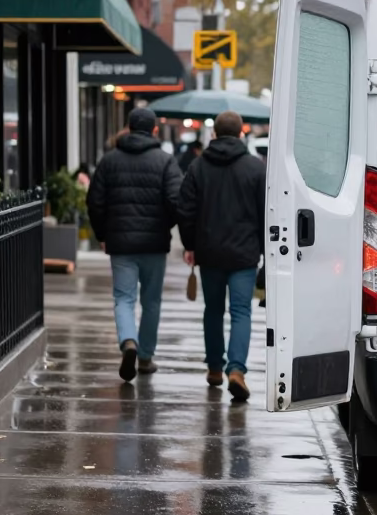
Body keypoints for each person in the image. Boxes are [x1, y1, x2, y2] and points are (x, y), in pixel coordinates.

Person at [87, 108, 183, 382]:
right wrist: (166, 226)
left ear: (128, 128)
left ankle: (128, 340)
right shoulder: (165, 161)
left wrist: (102, 234)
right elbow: (176, 202)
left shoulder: (109, 161)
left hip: (121, 243)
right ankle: (145, 357)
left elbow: (95, 201)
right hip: (154, 244)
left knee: (123, 298)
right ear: (154, 130)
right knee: (151, 301)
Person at [178, 110, 266, 403]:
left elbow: (186, 210)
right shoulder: (256, 168)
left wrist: (190, 245)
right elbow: (267, 213)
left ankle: (215, 367)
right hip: (244, 254)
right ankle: (236, 369)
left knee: (213, 311)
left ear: (214, 134)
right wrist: (264, 249)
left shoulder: (198, 167)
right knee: (241, 312)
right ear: (242, 133)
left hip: (210, 252)